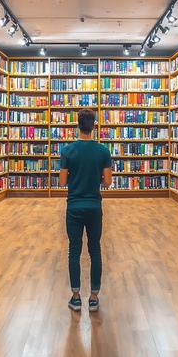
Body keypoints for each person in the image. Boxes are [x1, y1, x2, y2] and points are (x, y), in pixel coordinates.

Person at [59, 108, 112, 312]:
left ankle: (75, 297)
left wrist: (77, 177)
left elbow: (63, 181)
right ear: (94, 127)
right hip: (94, 206)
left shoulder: (68, 151)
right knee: (95, 250)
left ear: (77, 126)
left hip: (74, 206)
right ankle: (94, 297)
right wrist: (94, 178)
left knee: (74, 250)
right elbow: (107, 182)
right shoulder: (102, 151)